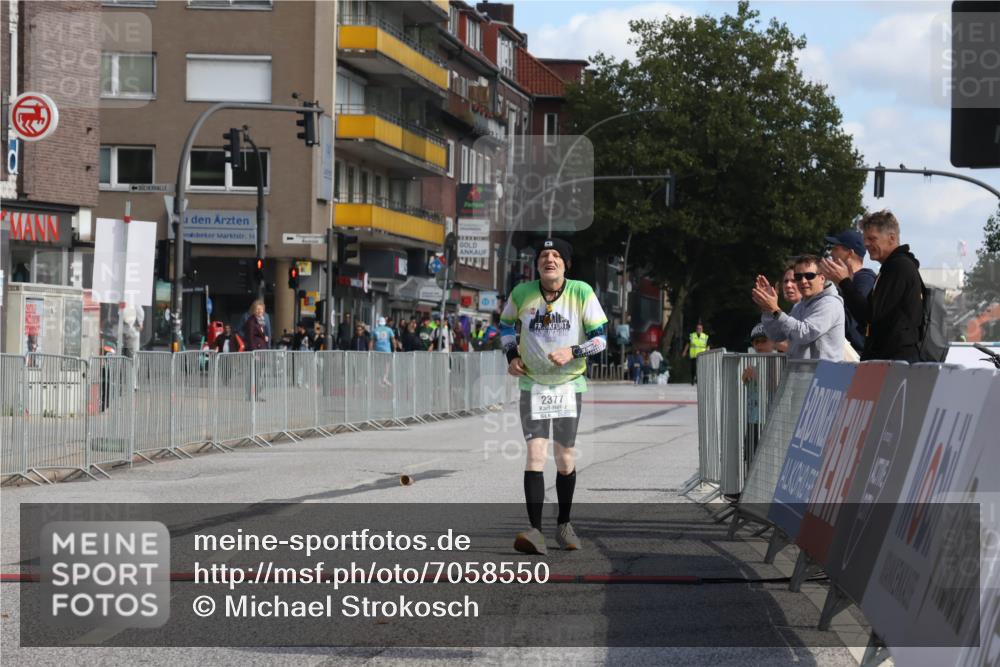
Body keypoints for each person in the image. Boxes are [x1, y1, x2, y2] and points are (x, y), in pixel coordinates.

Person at [500, 237, 608, 556]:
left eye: (556, 255)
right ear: (536, 264)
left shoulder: (581, 292)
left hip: (568, 385)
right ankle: (535, 531)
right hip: (533, 384)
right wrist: (511, 356)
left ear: (566, 264)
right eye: (544, 255)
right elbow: (505, 326)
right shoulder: (522, 293)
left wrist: (573, 351)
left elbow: (601, 340)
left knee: (564, 459)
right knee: (535, 455)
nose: (550, 259)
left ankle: (564, 524)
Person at [841, 210, 923, 361]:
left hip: (894, 363)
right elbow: (870, 317)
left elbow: (870, 315)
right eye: (865, 239)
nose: (866, 244)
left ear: (891, 238)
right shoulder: (891, 268)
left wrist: (844, 282)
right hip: (888, 360)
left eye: (872, 239)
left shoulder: (898, 267)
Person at [752, 254, 846, 361]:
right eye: (798, 277)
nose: (803, 281)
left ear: (822, 278)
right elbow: (777, 335)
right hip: (799, 370)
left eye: (809, 276)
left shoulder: (830, 303)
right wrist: (767, 309)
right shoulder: (799, 306)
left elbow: (804, 334)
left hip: (823, 371)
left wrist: (775, 310)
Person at [725, 324, 777, 503]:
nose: (759, 345)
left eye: (763, 341)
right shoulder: (757, 361)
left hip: (767, 419)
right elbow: (750, 384)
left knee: (765, 457)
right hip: (754, 418)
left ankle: (761, 493)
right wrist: (746, 378)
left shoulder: (775, 361)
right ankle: (749, 490)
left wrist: (756, 376)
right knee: (750, 455)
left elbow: (775, 385)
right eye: (755, 342)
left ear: (773, 342)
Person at [819, 229, 878, 356]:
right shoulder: (841, 281)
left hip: (856, 353)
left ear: (850, 253)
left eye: (836, 248)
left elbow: (852, 320)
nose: (831, 253)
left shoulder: (864, 278)